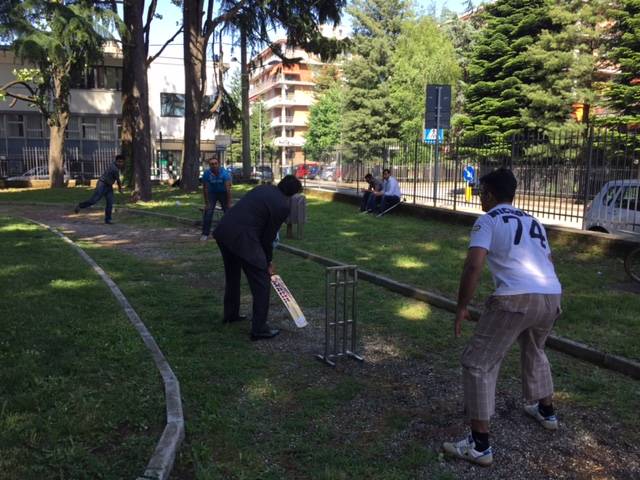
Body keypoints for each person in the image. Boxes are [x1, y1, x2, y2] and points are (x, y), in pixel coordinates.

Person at [442, 168, 562, 466]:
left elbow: (473, 267)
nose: (480, 197)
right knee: (535, 350)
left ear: (491, 194)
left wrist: (461, 306)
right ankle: (546, 411)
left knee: (477, 363)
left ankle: (480, 445)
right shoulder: (533, 220)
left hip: (514, 298)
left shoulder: (487, 221)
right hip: (550, 294)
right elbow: (548, 260)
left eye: (482, 192)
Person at [213, 175, 303, 340]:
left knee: (232, 276)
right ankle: (259, 329)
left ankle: (230, 315)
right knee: (261, 283)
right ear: (293, 194)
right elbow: (267, 238)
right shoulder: (282, 206)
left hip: (224, 231)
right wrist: (267, 262)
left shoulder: (263, 188)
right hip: (244, 238)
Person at [74, 154, 125, 224]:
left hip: (109, 186)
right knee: (94, 200)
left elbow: (117, 180)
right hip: (102, 184)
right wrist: (120, 189)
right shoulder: (114, 168)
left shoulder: (116, 167)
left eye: (121, 162)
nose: (120, 163)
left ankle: (108, 220)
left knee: (110, 203)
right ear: (115, 161)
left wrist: (119, 188)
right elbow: (118, 180)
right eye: (119, 162)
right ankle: (80, 205)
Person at [200, 156, 232, 241]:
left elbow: (228, 190)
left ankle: (230, 232)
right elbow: (205, 188)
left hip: (223, 193)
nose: (214, 165)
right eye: (212, 164)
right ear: (209, 166)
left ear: (219, 164)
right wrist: (207, 203)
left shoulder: (224, 174)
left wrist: (229, 203)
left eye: (215, 163)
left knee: (228, 212)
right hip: (212, 193)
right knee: (208, 211)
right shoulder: (207, 174)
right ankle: (205, 233)